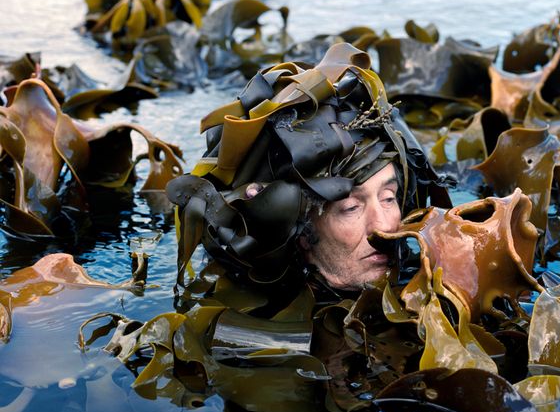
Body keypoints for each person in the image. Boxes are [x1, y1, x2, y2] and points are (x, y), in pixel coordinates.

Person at [166, 42, 449, 305]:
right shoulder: (249, 339)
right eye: (351, 207)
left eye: (388, 198)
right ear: (297, 231)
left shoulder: (434, 288)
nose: (385, 227)